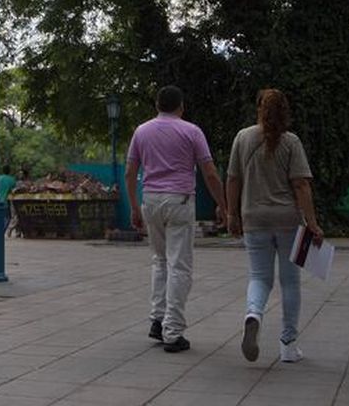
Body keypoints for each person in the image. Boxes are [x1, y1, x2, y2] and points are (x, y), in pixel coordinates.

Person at [125, 85, 227, 353]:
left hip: (151, 200)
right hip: (179, 199)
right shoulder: (191, 131)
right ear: (181, 106)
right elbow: (210, 172)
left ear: (157, 105)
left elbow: (129, 172)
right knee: (179, 266)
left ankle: (157, 321)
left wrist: (135, 207)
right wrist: (224, 205)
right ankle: (173, 331)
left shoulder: (141, 131)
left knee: (159, 261)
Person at [226, 88, 322, 365]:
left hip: (253, 219)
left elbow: (233, 179)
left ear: (258, 109)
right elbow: (301, 185)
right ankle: (288, 346)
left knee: (259, 278)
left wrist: (233, 215)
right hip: (287, 221)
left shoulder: (242, 138)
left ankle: (253, 314)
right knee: (290, 282)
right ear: (285, 111)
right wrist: (313, 224)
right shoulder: (291, 142)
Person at [0, 164, 17, 235]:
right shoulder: (11, 179)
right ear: (9, 171)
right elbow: (14, 190)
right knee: (7, 218)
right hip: (4, 201)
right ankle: (1, 232)